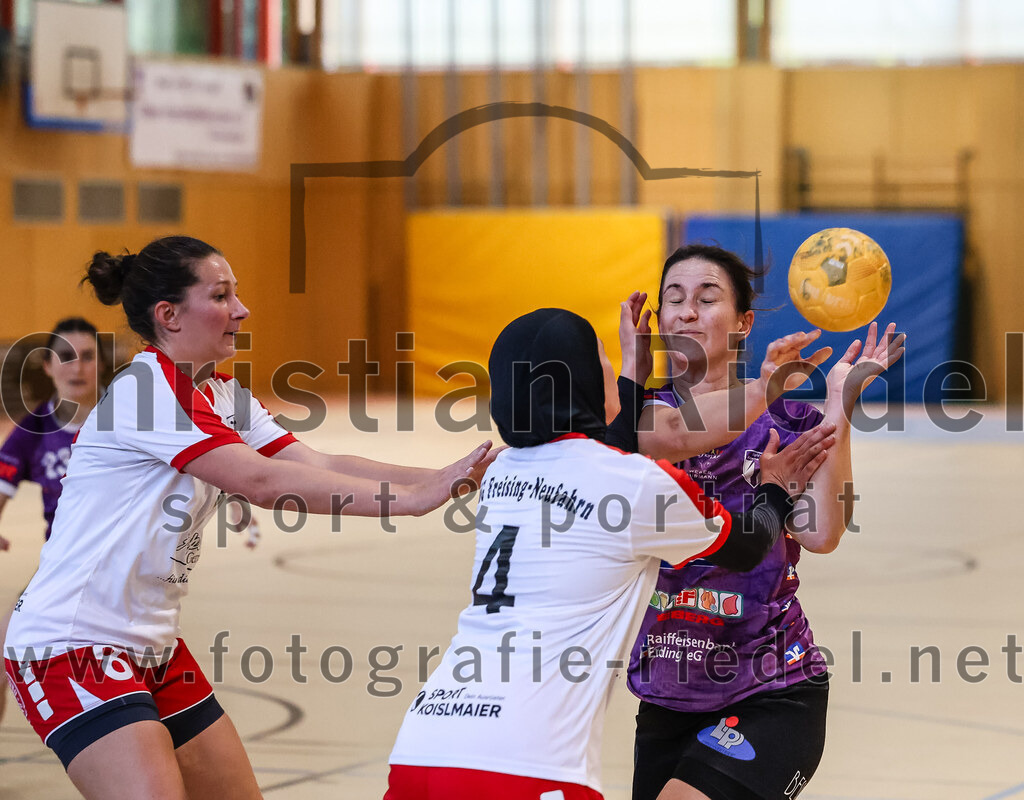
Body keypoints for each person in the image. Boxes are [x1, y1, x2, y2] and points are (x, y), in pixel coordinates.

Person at [2, 235, 497, 800]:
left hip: (153, 647)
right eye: (221, 296)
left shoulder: (221, 395)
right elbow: (262, 483)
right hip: (73, 646)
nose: (242, 310)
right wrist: (410, 501)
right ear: (169, 315)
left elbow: (317, 462)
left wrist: (446, 474)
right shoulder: (146, 391)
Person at [384, 307, 838, 800]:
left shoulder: (502, 473)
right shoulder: (637, 485)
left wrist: (632, 370)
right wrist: (775, 489)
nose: (612, 369)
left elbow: (602, 451)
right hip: (525, 760)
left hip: (424, 743)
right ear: (581, 379)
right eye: (601, 359)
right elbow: (747, 546)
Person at [623, 244, 905, 800]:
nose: (687, 312)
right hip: (669, 684)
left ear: (744, 322)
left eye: (707, 299)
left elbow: (822, 533)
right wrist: (633, 366)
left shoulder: (785, 421)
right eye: (673, 299)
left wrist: (838, 403)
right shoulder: (643, 419)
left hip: (772, 683)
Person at [0, 318, 107, 726]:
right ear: (46, 365)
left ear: (102, 364)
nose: (76, 368)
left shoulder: (123, 420)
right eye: (64, 357)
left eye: (87, 356)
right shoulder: (34, 427)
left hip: (123, 571)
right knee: (3, 645)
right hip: (61, 570)